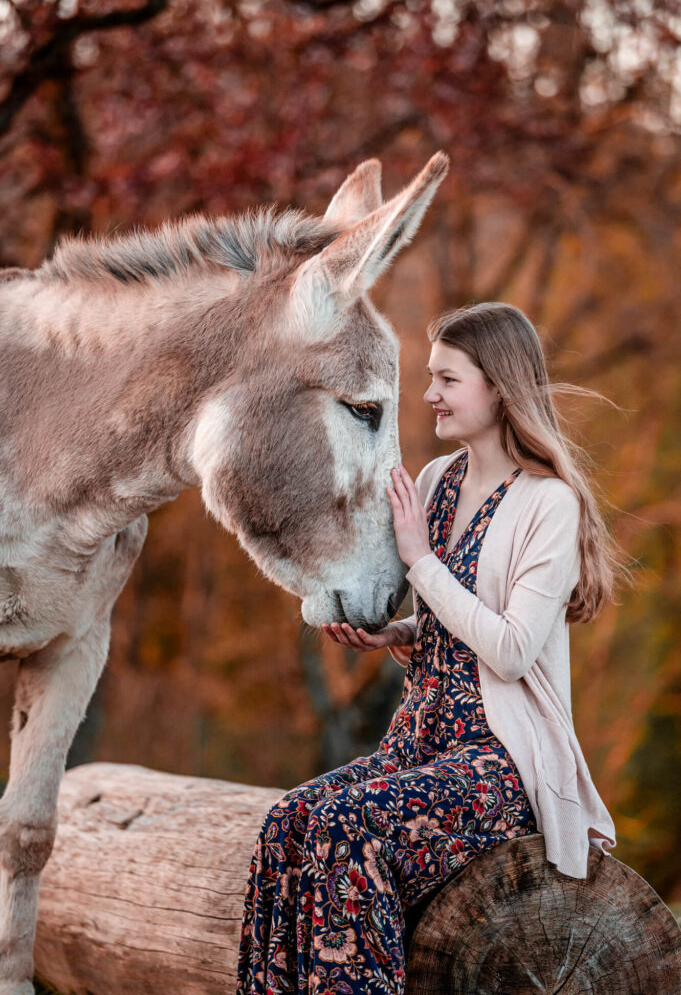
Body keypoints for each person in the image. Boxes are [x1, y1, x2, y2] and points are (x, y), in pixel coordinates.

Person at [236, 301, 625, 995]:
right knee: (287, 822)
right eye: (429, 378)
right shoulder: (435, 483)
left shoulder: (548, 506)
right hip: (418, 744)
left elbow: (507, 652)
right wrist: (396, 635)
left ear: (499, 387)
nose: (428, 396)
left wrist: (420, 563)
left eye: (447, 379)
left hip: (499, 767)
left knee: (346, 826)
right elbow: (452, 627)